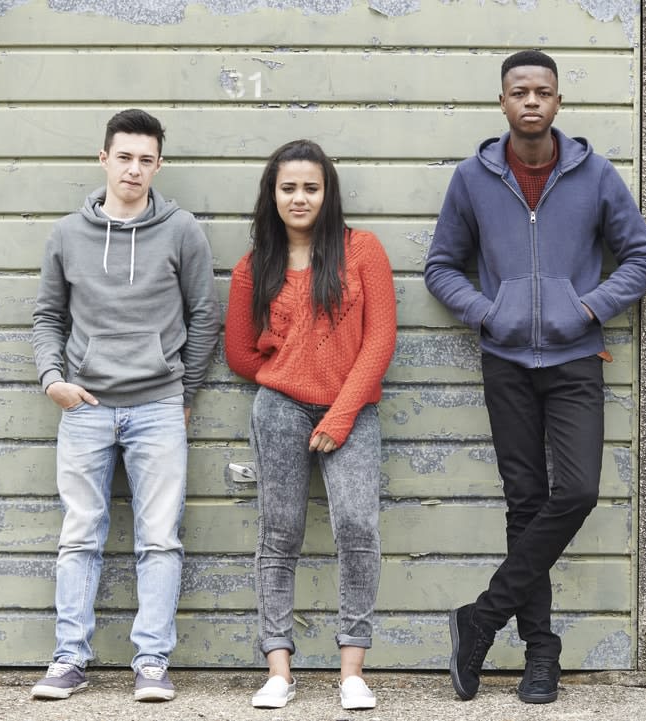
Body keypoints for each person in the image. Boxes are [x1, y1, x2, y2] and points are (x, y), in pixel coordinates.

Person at [424, 49, 646, 704]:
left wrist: (586, 308)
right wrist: (488, 312)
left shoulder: (595, 175)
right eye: (519, 91)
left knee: (577, 490)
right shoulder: (473, 179)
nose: (531, 100)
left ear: (558, 101)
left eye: (543, 91)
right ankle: (541, 652)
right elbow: (441, 266)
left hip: (575, 358)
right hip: (505, 361)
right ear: (502, 101)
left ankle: (481, 617)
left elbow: (644, 258)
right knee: (525, 503)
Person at [30, 109, 219, 702]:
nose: (134, 169)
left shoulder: (181, 230)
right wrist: (52, 380)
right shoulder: (67, 234)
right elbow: (47, 317)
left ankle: (152, 663)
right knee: (79, 535)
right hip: (84, 405)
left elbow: (204, 316)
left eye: (145, 159)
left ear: (158, 165)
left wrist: (183, 393)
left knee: (159, 538)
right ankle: (69, 659)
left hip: (158, 405)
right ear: (104, 158)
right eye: (124, 157)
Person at [225, 139, 397, 711]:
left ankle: (352, 672)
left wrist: (341, 413)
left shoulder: (362, 250)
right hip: (279, 410)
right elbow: (238, 353)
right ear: (272, 194)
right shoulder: (254, 267)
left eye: (311, 188)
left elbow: (379, 341)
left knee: (357, 527)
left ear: (328, 193)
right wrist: (285, 376)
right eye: (289, 188)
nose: (300, 198)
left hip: (353, 410)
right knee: (279, 532)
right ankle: (279, 669)